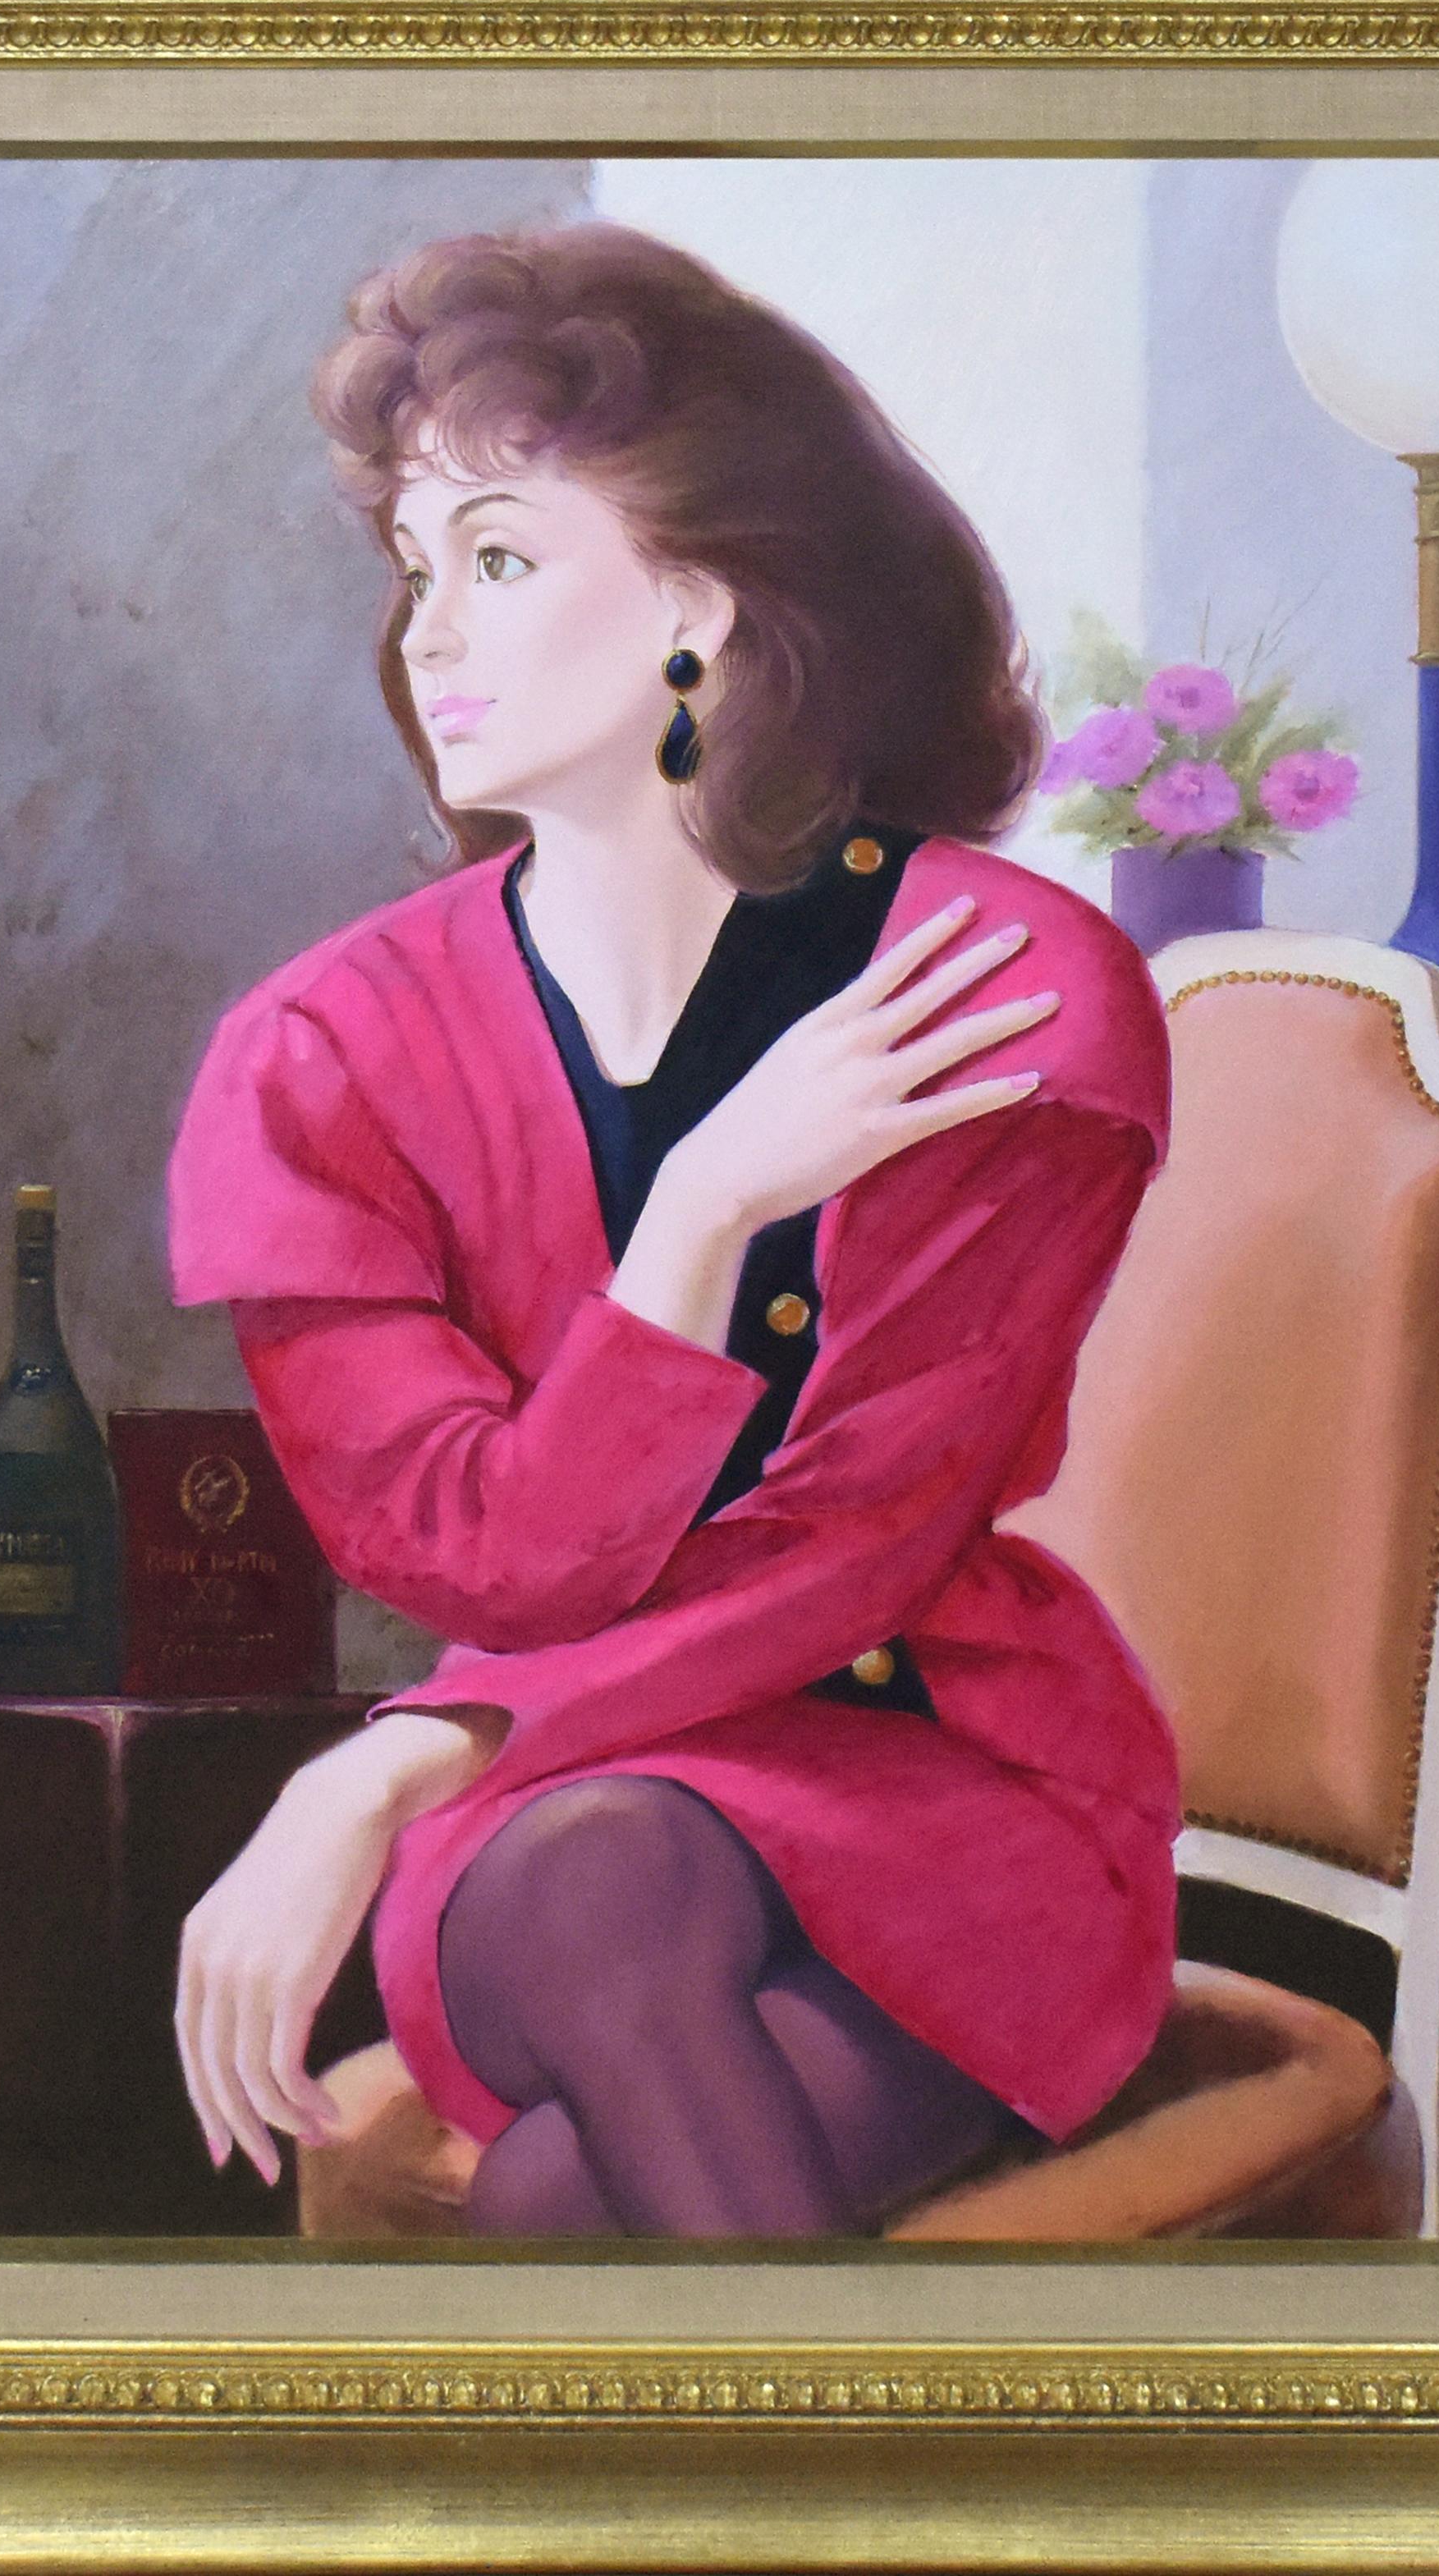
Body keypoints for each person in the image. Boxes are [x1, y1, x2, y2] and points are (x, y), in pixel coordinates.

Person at [167, 222, 1182, 2238]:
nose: (424, 634)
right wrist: (701, 1219)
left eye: (498, 557)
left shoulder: (1002, 995)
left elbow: (864, 1540)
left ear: (700, 602)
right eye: (414, 568)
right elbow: (467, 1551)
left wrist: (382, 1762)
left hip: (943, 1791)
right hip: (552, 1818)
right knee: (600, 1873)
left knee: (560, 2202)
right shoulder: (320, 1058)